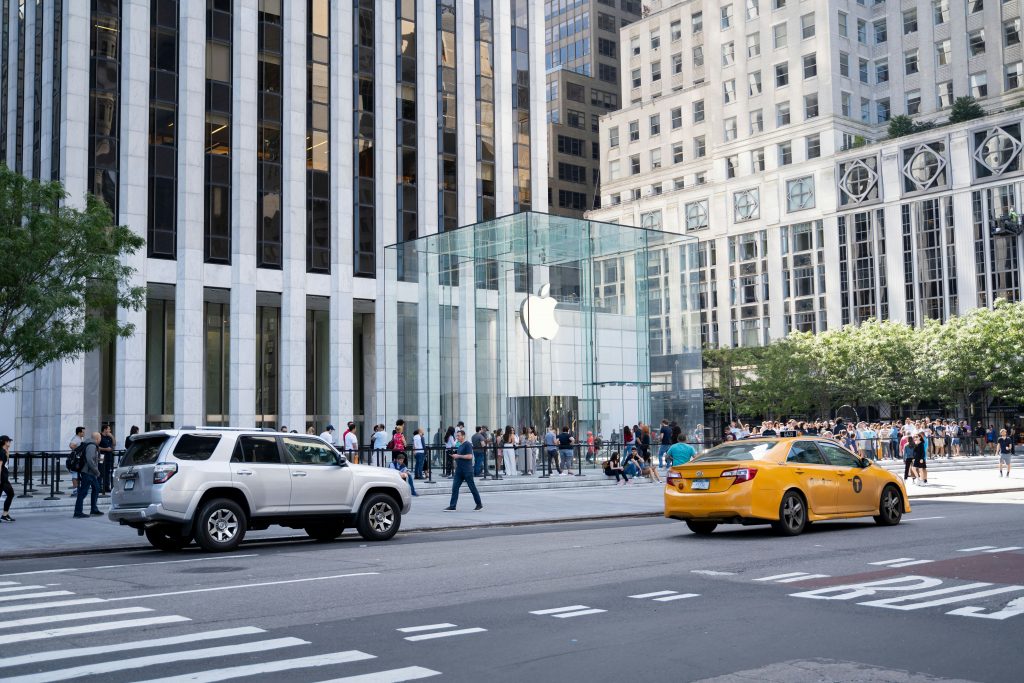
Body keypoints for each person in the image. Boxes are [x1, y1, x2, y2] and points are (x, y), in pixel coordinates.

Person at [444, 430, 482, 511]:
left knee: (472, 488)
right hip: (459, 470)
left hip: (467, 470)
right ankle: (452, 506)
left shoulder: (467, 444)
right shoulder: (460, 445)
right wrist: (455, 457)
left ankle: (479, 504)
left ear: (463, 436)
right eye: (456, 436)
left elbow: (470, 456)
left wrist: (458, 456)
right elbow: (460, 456)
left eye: (458, 436)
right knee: (455, 487)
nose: (457, 437)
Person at [74, 432, 104, 518]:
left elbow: (90, 458)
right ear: (97, 438)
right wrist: (97, 471)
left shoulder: (88, 444)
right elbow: (90, 460)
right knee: (83, 492)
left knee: (96, 488)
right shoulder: (92, 445)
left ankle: (93, 509)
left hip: (89, 472)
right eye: (100, 438)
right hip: (88, 472)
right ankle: (78, 512)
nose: (100, 440)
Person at [0, 435, 14, 522]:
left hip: (4, 478)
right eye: (9, 441)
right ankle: (4, 515)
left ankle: (5, 515)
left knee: (11, 494)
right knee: (11, 494)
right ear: (5, 442)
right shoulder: (1, 451)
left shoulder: (4, 451)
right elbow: (0, 465)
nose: (10, 442)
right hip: (2, 479)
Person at [68, 426, 85, 495]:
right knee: (75, 474)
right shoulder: (76, 438)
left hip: (78, 459)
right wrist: (79, 449)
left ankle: (77, 488)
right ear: (79, 432)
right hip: (75, 460)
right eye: (83, 432)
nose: (84, 433)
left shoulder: (78, 438)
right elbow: (71, 445)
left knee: (77, 474)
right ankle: (75, 490)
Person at [98, 424, 115, 494]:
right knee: (100, 471)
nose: (110, 430)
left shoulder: (109, 437)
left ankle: (106, 487)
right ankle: (99, 487)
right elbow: (97, 447)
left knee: (108, 472)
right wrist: (105, 449)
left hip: (109, 456)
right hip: (101, 456)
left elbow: (114, 444)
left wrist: (112, 436)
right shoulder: (99, 436)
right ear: (105, 429)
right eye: (109, 429)